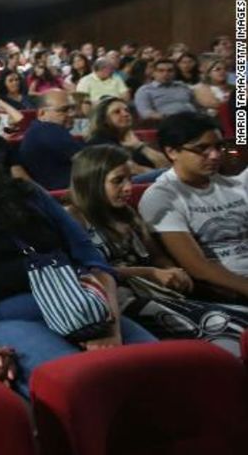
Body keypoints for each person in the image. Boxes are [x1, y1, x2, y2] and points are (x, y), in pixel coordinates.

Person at [0, 126, 156, 396]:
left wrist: (110, 325)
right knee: (83, 385)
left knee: (160, 372)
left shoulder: (27, 195)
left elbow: (90, 258)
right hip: (10, 318)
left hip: (81, 302)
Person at [68, 145, 248, 355]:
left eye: (129, 179)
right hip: (118, 303)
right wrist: (150, 272)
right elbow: (85, 272)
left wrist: (172, 271)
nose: (128, 188)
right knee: (220, 325)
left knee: (241, 316)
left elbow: (157, 257)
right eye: (118, 181)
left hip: (158, 294)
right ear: (91, 182)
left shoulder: (126, 213)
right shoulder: (74, 218)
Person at [139, 112, 248, 302]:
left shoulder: (234, 184)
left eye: (218, 147)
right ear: (172, 152)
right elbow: (198, 267)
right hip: (228, 291)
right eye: (202, 148)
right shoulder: (161, 197)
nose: (214, 155)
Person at [20, 90, 86, 190]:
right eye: (64, 110)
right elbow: (91, 162)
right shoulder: (48, 130)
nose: (72, 114)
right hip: (62, 195)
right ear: (42, 113)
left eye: (73, 108)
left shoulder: (38, 129)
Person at [86, 97, 169, 173]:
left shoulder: (132, 139)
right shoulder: (98, 141)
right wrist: (161, 176)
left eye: (126, 110)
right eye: (117, 112)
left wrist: (140, 146)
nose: (125, 114)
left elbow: (168, 166)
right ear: (104, 120)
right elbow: (130, 169)